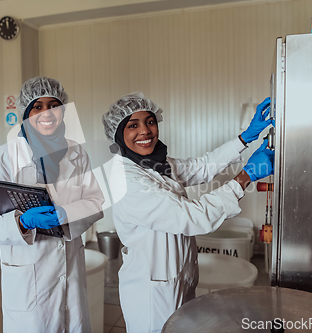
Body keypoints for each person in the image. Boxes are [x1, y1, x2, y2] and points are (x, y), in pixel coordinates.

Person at [102, 92, 273, 333]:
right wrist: (245, 177)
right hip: (152, 291)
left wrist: (245, 138)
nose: (145, 131)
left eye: (150, 121)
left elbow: (201, 167)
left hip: (177, 277)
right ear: (118, 135)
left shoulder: (157, 163)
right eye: (133, 125)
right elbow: (191, 217)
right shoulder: (127, 179)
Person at [0, 76, 105, 333]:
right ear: (25, 112)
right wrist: (22, 222)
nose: (47, 112)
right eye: (37, 106)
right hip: (28, 277)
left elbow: (95, 201)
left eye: (54, 105)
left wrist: (67, 213)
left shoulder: (76, 153)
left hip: (71, 270)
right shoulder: (2, 157)